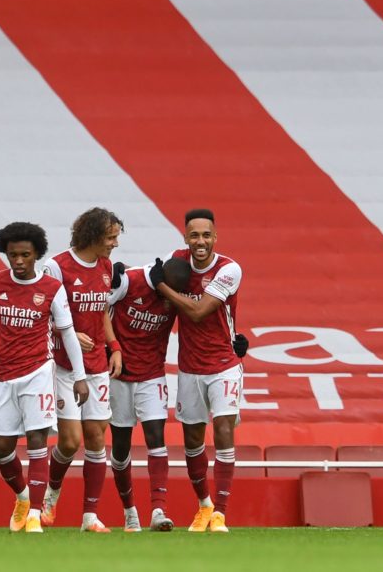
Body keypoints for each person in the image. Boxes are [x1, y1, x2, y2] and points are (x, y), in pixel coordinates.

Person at [0, 222, 89, 534]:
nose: (19, 261)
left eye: (25, 255)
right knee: (0, 446)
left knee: (37, 439)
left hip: (38, 372)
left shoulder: (51, 288)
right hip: (4, 375)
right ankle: (23, 497)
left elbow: (67, 332)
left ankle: (35, 514)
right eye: (13, 255)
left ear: (37, 254)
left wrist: (80, 376)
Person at [150, 208, 243, 533]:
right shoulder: (174, 261)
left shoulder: (229, 269)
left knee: (223, 431)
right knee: (192, 440)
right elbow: (151, 283)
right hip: (189, 366)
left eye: (206, 235)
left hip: (223, 365)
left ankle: (221, 512)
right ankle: (203, 506)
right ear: (186, 237)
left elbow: (200, 311)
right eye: (194, 235)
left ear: (215, 237)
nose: (200, 241)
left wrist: (163, 289)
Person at [41, 208, 123, 532]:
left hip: (97, 365)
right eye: (110, 237)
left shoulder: (106, 267)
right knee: (70, 440)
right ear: (91, 235)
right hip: (64, 365)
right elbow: (41, 310)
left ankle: (90, 516)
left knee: (96, 438)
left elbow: (101, 310)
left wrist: (114, 346)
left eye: (116, 236)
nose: (115, 244)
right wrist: (69, 333)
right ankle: (51, 494)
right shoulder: (57, 266)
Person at [107, 258, 191, 532]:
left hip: (152, 374)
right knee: (120, 448)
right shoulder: (131, 280)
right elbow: (98, 308)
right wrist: (112, 347)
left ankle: (158, 510)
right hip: (118, 374)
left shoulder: (176, 294)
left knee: (156, 438)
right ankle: (130, 511)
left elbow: (202, 316)